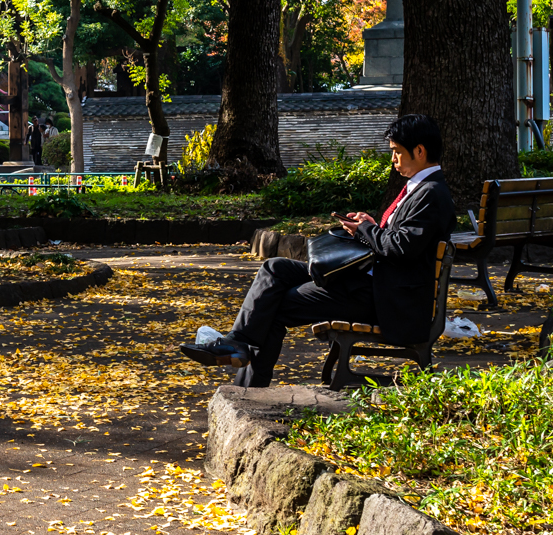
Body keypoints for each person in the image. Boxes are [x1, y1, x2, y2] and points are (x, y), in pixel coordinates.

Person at [179, 113, 455, 387]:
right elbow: (400, 239)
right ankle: (237, 344)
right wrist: (372, 225)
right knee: (275, 267)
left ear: (419, 151)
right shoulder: (422, 189)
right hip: (374, 285)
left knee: (271, 307)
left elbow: (402, 248)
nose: (393, 159)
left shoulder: (431, 193)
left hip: (383, 298)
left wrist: (365, 231)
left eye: (396, 152)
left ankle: (246, 386)